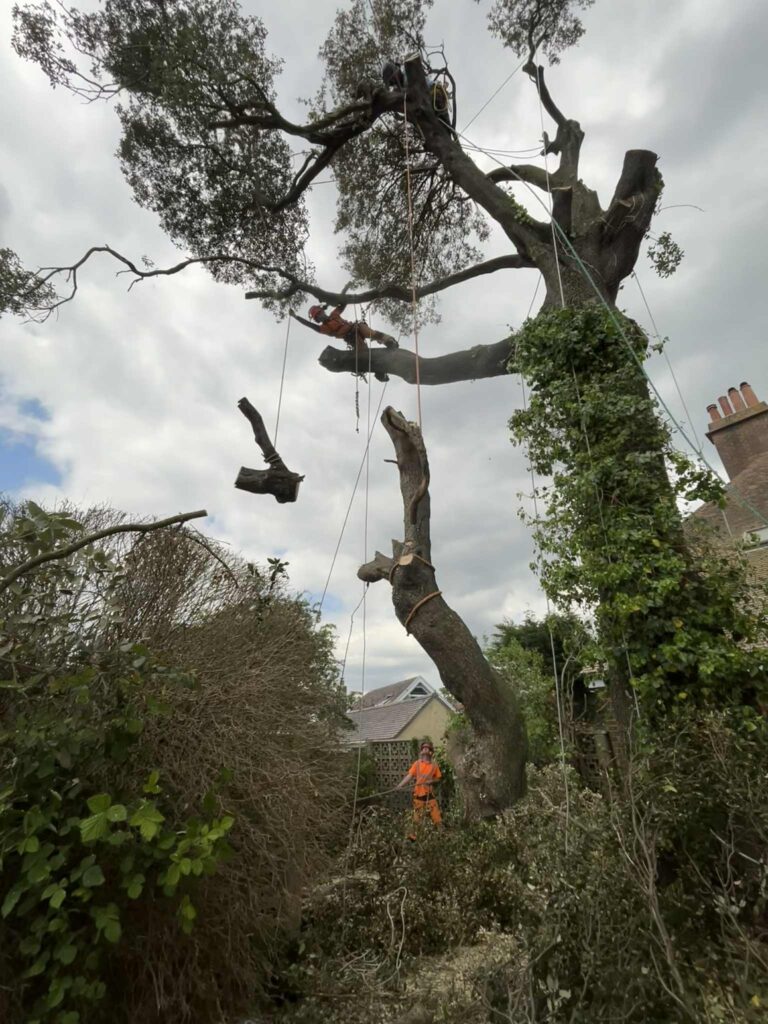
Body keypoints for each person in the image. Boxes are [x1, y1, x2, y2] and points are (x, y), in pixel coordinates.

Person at [290, 304, 398, 351]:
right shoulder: (324, 328)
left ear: (323, 311)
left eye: (320, 313)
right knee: (365, 354)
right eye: (318, 316)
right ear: (317, 320)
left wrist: (345, 290)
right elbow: (309, 325)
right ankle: (380, 372)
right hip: (351, 338)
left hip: (357, 328)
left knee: (371, 333)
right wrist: (296, 317)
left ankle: (389, 341)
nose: (320, 316)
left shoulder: (334, 314)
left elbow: (343, 304)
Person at [397, 740, 442, 839]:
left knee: (436, 817)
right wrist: (400, 786)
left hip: (429, 795)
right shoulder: (417, 764)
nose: (425, 749)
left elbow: (438, 778)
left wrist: (432, 781)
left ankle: (441, 835)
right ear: (421, 751)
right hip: (418, 795)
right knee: (417, 818)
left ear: (431, 752)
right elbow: (409, 776)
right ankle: (413, 838)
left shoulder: (434, 765)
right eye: (423, 748)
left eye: (427, 748)